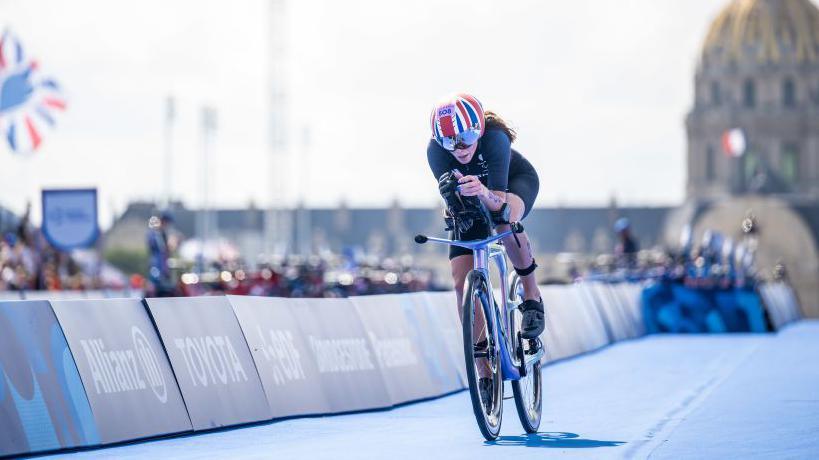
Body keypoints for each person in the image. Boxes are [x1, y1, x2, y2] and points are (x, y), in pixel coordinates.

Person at [427, 93, 544, 343]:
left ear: (478, 131)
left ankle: (532, 296)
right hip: (472, 196)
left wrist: (481, 190)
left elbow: (498, 206)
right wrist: (454, 205)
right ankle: (484, 369)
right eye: (449, 142)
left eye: (466, 139)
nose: (459, 149)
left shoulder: (495, 139)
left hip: (513, 183)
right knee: (460, 284)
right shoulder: (435, 152)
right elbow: (454, 208)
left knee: (504, 221)